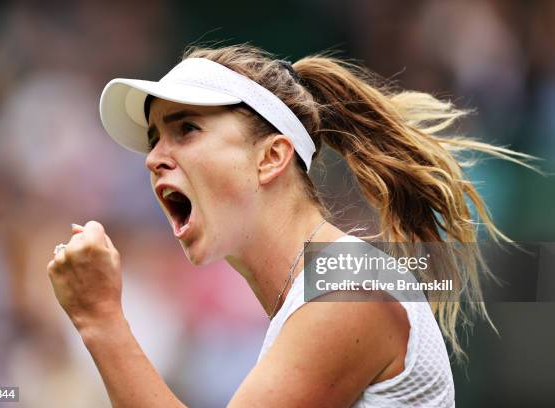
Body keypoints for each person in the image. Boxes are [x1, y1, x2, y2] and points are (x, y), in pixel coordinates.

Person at [46, 44, 534, 407]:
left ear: (272, 157)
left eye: (186, 129)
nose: (153, 158)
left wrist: (100, 319)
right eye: (154, 139)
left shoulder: (349, 286)